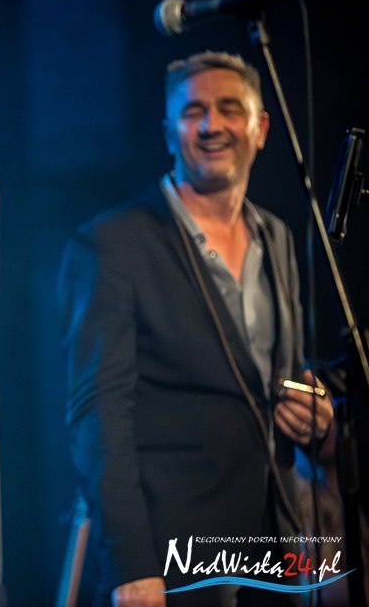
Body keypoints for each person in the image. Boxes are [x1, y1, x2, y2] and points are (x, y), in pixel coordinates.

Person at [58, 51, 336, 606]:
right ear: (169, 132)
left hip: (273, 551)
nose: (211, 125)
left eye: (230, 109)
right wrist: (131, 566)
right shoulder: (113, 243)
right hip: (173, 558)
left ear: (261, 129)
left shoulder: (277, 237)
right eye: (193, 112)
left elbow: (276, 379)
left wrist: (315, 415)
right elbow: (98, 418)